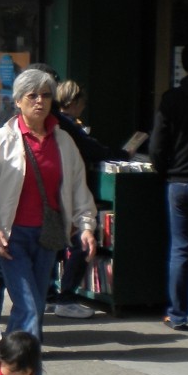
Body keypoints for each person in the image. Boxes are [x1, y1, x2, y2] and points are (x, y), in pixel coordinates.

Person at [0, 68, 97, 342]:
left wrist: (86, 226)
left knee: (35, 308)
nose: (39, 101)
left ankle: (18, 372)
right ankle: (19, 372)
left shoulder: (64, 142)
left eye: (45, 95)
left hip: (48, 236)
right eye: (32, 96)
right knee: (30, 306)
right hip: (11, 237)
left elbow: (79, 188)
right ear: (17, 101)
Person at [49, 79, 127, 318]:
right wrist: (120, 154)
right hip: (69, 191)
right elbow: (91, 148)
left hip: (58, 191)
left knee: (56, 244)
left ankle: (51, 293)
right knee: (81, 241)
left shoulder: (56, 125)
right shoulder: (66, 126)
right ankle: (66, 296)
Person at [149, 40, 188, 333]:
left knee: (180, 248)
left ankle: (177, 313)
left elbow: (158, 144)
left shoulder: (171, 99)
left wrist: (164, 170)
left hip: (178, 180)